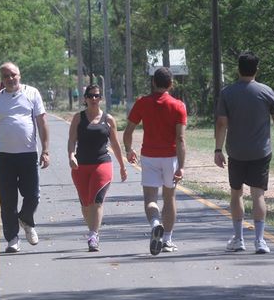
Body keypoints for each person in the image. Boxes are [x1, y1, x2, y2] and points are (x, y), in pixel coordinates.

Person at [214, 51, 274, 254]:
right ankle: (260, 240)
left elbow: (222, 124)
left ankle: (238, 239)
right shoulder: (266, 91)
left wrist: (218, 149)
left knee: (236, 194)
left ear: (238, 69)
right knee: (258, 195)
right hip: (260, 152)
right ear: (257, 69)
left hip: (236, 152)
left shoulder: (227, 93)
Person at [0, 61, 50, 253]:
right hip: (4, 157)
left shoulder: (32, 93)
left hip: (28, 155)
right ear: (2, 80)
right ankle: (12, 238)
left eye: (13, 74)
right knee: (7, 200)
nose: (10, 78)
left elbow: (41, 122)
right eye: (6, 76)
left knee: (33, 195)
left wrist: (45, 150)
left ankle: (26, 219)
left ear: (19, 75)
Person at [123, 67, 187, 256]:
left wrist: (128, 149)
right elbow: (180, 139)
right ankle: (167, 239)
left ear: (153, 82)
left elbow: (128, 132)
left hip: (149, 156)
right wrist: (181, 166)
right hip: (171, 157)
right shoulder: (178, 106)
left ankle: (155, 223)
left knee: (150, 199)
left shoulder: (142, 103)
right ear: (171, 84)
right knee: (169, 198)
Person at [68, 84, 128, 251]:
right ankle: (92, 231)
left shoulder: (108, 120)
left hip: (102, 164)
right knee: (86, 204)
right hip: (81, 166)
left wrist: (122, 166)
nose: (94, 99)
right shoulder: (78, 118)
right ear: (85, 99)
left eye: (97, 96)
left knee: (97, 201)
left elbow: (115, 144)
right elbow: (72, 140)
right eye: (91, 96)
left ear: (101, 98)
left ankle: (93, 235)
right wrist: (71, 155)